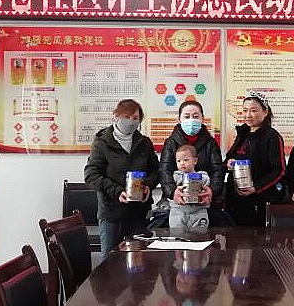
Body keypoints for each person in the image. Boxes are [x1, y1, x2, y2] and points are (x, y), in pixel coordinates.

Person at [84, 99, 160, 260]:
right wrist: (117, 191)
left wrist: (148, 185)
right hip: (112, 213)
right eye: (126, 117)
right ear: (115, 116)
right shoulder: (102, 143)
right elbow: (91, 175)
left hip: (139, 212)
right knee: (110, 261)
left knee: (141, 260)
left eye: (135, 118)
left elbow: (156, 171)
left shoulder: (144, 143)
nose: (131, 122)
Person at [224, 91, 286, 226]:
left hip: (259, 200)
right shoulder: (242, 134)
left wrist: (256, 188)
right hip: (235, 199)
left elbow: (279, 170)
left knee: (256, 236)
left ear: (265, 112)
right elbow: (228, 159)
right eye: (245, 110)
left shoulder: (272, 137)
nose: (248, 115)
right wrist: (228, 163)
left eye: (253, 110)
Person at [159, 101, 223, 225]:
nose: (191, 120)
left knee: (201, 234)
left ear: (202, 118)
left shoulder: (210, 143)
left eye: (195, 116)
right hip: (177, 206)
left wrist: (212, 191)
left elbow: (217, 170)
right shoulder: (171, 142)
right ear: (179, 119)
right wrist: (172, 192)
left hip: (203, 205)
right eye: (186, 116)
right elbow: (164, 170)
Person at [169, 144, 211, 230]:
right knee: (177, 234)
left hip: (198, 211)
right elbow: (170, 186)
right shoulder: (175, 177)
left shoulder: (202, 176)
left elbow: (206, 184)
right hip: (178, 211)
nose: (182, 163)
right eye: (179, 161)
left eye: (185, 160)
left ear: (195, 161)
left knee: (200, 234)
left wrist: (197, 178)